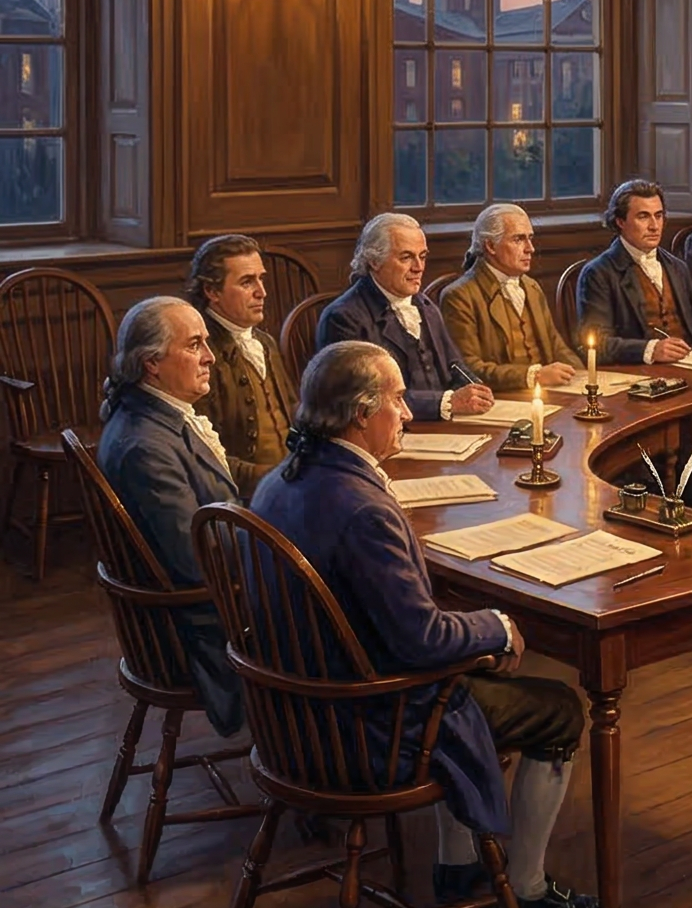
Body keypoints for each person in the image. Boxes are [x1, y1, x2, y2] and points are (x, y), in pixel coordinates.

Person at [250, 342, 597, 908]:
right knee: (559, 709)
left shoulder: (276, 484)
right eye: (397, 400)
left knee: (466, 671)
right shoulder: (365, 509)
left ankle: (457, 864)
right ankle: (529, 889)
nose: (409, 412)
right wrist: (497, 627)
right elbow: (422, 642)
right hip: (364, 724)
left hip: (292, 714)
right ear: (361, 415)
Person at [96, 298, 244, 735]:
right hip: (200, 632)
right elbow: (195, 559)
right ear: (152, 365)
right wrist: (285, 541)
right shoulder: (146, 447)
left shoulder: (157, 419)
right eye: (195, 344)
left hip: (215, 603)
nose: (210, 356)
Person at [317, 213, 495, 424]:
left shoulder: (425, 306)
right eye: (406, 257)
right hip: (388, 436)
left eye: (422, 256)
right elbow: (365, 399)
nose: (418, 267)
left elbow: (453, 365)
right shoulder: (343, 317)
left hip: (441, 428)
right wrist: (445, 402)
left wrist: (473, 388)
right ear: (374, 261)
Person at [577, 179, 692, 366]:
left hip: (691, 366)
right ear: (620, 221)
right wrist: (650, 350)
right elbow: (596, 344)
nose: (654, 226)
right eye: (643, 216)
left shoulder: (676, 267)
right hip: (640, 376)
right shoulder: (598, 273)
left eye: (659, 215)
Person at [187, 234, 296, 496]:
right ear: (212, 291)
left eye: (261, 278)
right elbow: (203, 454)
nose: (262, 292)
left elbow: (295, 414)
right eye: (247, 282)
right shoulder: (198, 354)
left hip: (288, 485)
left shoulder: (265, 342)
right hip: (241, 500)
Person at [442, 203, 581, 394]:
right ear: (490, 245)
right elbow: (468, 368)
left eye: (530, 238)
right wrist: (533, 376)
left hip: (546, 395)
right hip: (502, 398)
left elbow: (556, 345)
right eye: (518, 239)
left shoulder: (531, 287)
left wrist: (584, 376)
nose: (530, 248)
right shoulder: (460, 296)